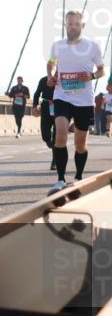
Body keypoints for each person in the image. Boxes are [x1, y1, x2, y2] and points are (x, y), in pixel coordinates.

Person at [46, 10, 105, 197]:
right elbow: (52, 63)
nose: (73, 27)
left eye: (76, 24)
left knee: (80, 143)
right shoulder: (58, 46)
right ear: (65, 25)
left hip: (84, 100)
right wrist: (50, 74)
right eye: (70, 24)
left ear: (83, 26)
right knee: (61, 132)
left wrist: (92, 76)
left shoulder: (92, 47)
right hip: (62, 96)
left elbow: (102, 70)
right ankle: (61, 179)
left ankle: (78, 177)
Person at [32, 74, 56, 169]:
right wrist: (34, 106)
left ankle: (55, 161)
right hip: (46, 106)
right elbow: (37, 93)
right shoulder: (43, 80)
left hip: (60, 106)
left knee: (56, 136)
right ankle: (50, 142)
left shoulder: (62, 79)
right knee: (45, 134)